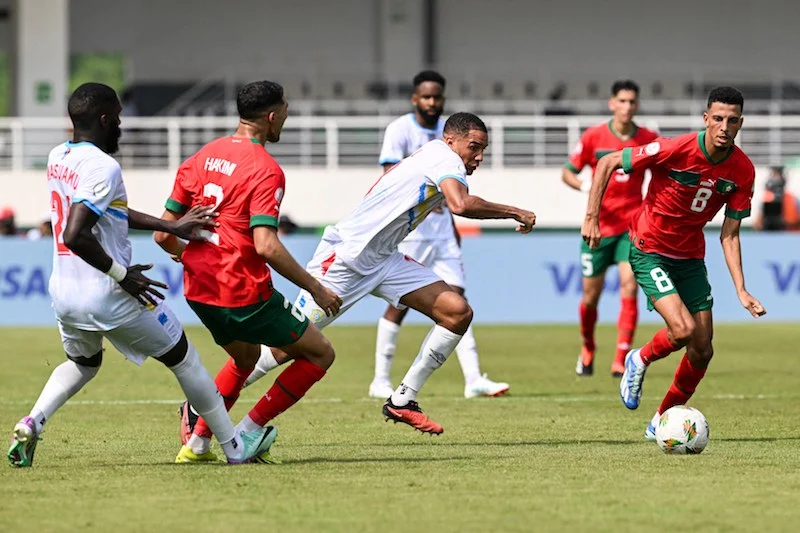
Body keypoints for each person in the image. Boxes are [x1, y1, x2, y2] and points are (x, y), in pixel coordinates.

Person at [7, 83, 277, 467]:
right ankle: (234, 448)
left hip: (64, 292)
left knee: (84, 363)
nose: (121, 124)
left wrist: (174, 226)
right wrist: (122, 275)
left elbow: (111, 210)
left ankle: (32, 422)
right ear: (104, 119)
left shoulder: (58, 156)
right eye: (118, 117)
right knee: (185, 360)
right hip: (107, 291)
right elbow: (75, 233)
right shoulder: (103, 166)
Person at [244, 112, 537, 434]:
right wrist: (515, 211)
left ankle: (403, 400)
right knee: (284, 346)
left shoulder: (437, 155)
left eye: (483, 150)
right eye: (474, 147)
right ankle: (212, 404)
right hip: (346, 259)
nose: (479, 156)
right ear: (451, 140)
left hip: (384, 258)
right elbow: (461, 204)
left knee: (457, 312)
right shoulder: (446, 159)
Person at [154, 80, 341, 463]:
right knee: (320, 354)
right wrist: (317, 289)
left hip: (199, 289)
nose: (286, 117)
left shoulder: (202, 156)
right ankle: (245, 434)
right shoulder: (265, 170)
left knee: (245, 359)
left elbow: (162, 234)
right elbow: (266, 245)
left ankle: (198, 444)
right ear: (271, 116)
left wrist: (191, 255)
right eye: (285, 111)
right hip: (242, 291)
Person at [581, 86, 766, 440]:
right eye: (718, 119)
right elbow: (606, 163)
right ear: (706, 119)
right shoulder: (674, 148)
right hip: (649, 248)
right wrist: (592, 218)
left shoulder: (743, 170)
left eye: (732, 121)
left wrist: (741, 290)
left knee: (702, 348)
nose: (724, 127)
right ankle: (639, 359)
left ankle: (660, 421)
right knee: (682, 330)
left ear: (740, 123)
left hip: (690, 257)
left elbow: (729, 234)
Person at [369, 70, 508, 400]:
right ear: (415, 98)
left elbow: (455, 191)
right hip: (412, 232)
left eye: (437, 97)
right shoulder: (400, 129)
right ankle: (380, 379)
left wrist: (454, 228)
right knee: (399, 306)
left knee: (458, 302)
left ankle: (473, 378)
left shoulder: (454, 131)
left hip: (443, 233)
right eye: (426, 97)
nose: (432, 102)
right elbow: (391, 174)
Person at [563, 80, 659, 378]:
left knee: (629, 287)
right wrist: (586, 186)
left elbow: (663, 172)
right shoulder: (594, 136)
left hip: (632, 227)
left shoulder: (648, 139)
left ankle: (621, 357)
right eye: (622, 101)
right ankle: (588, 347)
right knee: (590, 296)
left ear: (637, 105)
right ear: (612, 103)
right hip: (598, 227)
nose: (627, 107)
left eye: (632, 102)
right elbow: (568, 172)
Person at [753, 166, 800, 231]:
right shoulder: (766, 199)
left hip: (790, 233)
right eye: (774, 175)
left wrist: (787, 222)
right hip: (770, 233)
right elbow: (757, 225)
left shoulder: (793, 199)